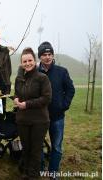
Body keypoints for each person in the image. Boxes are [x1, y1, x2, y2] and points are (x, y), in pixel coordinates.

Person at [38, 41, 75, 177]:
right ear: (39, 57)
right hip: (40, 118)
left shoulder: (62, 71)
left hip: (57, 117)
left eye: (50, 54)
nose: (47, 57)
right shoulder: (35, 72)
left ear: (53, 56)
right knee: (38, 146)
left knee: (57, 147)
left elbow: (70, 89)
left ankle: (53, 172)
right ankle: (41, 169)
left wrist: (63, 105)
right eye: (44, 54)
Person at [13, 47, 52, 179]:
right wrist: (16, 99)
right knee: (26, 148)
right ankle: (25, 173)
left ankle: (33, 176)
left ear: (35, 61)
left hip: (39, 120)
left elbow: (46, 98)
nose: (27, 63)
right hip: (23, 120)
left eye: (30, 60)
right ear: (21, 63)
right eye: (25, 61)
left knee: (36, 150)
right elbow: (16, 94)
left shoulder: (42, 78)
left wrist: (27, 104)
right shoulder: (19, 79)